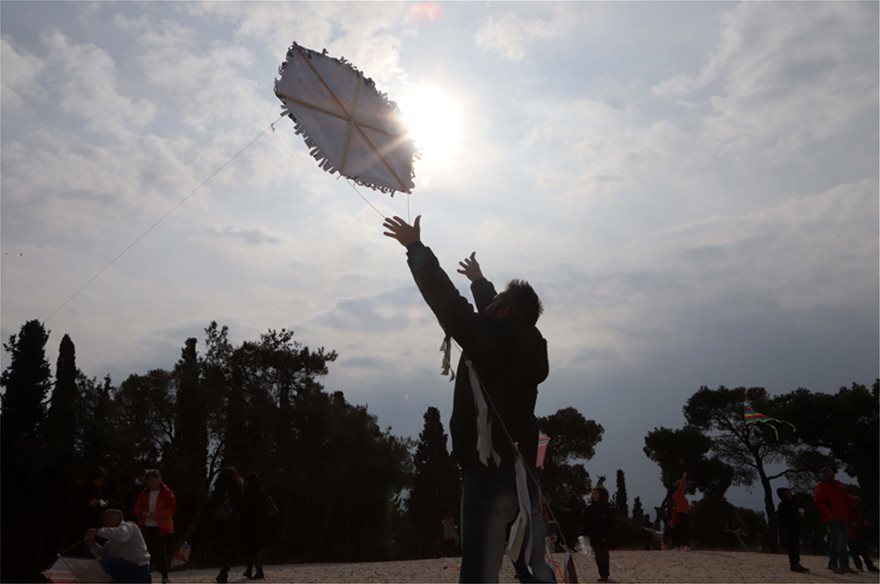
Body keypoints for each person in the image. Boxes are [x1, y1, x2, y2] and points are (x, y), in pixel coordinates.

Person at [383, 215, 554, 583]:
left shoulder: (488, 339)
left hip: (486, 473)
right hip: (522, 472)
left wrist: (416, 249)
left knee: (478, 572)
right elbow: (494, 317)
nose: (489, 306)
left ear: (504, 311)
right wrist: (480, 282)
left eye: (497, 303)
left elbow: (450, 306)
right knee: (533, 564)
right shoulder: (529, 343)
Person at [133, 468, 176, 584]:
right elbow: (136, 508)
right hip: (146, 525)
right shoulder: (144, 493)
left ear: (159, 479)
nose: (151, 483)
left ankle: (165, 577)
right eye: (149, 481)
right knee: (145, 552)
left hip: (160, 526)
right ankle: (146, 577)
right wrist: (142, 513)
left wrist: (158, 515)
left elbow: (172, 508)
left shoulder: (166, 492)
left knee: (161, 553)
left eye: (153, 480)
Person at [85, 508, 151, 583]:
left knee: (106, 564)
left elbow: (120, 534)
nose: (107, 519)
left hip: (138, 568)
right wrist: (93, 545)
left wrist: (98, 532)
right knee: (103, 563)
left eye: (112, 517)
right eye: (105, 519)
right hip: (126, 571)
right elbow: (104, 554)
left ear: (120, 518)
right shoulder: (110, 541)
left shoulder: (129, 526)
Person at [813, 467, 856, 574]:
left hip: (843, 517)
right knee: (838, 540)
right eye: (829, 474)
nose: (832, 476)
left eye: (833, 474)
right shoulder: (821, 487)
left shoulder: (837, 485)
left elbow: (844, 497)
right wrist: (829, 514)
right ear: (824, 475)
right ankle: (832, 564)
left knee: (844, 542)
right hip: (833, 518)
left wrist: (853, 499)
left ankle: (844, 565)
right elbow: (819, 502)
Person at [210, 466, 244, 583]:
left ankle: (224, 569)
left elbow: (212, 503)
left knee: (221, 544)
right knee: (228, 545)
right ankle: (225, 569)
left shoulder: (219, 488)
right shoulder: (237, 488)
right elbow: (240, 503)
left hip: (219, 520)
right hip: (232, 519)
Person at [241, 471, 271, 580]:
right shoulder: (261, 491)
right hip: (260, 524)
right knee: (255, 549)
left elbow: (245, 508)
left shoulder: (249, 491)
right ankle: (252, 570)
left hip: (251, 524)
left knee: (252, 549)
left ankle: (258, 571)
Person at [582, 486, 613, 583]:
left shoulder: (607, 508)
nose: (594, 495)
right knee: (598, 556)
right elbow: (585, 522)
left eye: (596, 494)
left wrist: (606, 535)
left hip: (604, 536)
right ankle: (602, 574)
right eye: (593, 493)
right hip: (593, 536)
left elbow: (611, 523)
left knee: (604, 555)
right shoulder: (590, 509)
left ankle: (605, 574)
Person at [776, 487, 809, 573]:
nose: (787, 494)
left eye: (787, 492)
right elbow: (782, 518)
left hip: (797, 527)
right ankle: (794, 564)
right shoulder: (782, 505)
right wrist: (788, 526)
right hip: (789, 529)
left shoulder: (795, 501)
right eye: (784, 493)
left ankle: (797, 563)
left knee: (796, 545)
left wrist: (802, 515)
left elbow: (802, 508)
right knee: (792, 546)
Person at [847, 494, 878, 572]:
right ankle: (860, 565)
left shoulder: (859, 509)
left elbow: (861, 518)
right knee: (855, 551)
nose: (858, 501)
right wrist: (851, 523)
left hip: (859, 531)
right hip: (851, 532)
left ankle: (869, 565)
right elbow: (845, 519)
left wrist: (864, 522)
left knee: (864, 550)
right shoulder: (849, 509)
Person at [671, 472, 690, 550]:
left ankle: (678, 546)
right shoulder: (679, 494)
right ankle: (685, 545)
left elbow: (675, 506)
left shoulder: (676, 496)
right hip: (682, 514)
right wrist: (683, 478)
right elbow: (682, 486)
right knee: (684, 530)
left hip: (679, 513)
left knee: (677, 530)